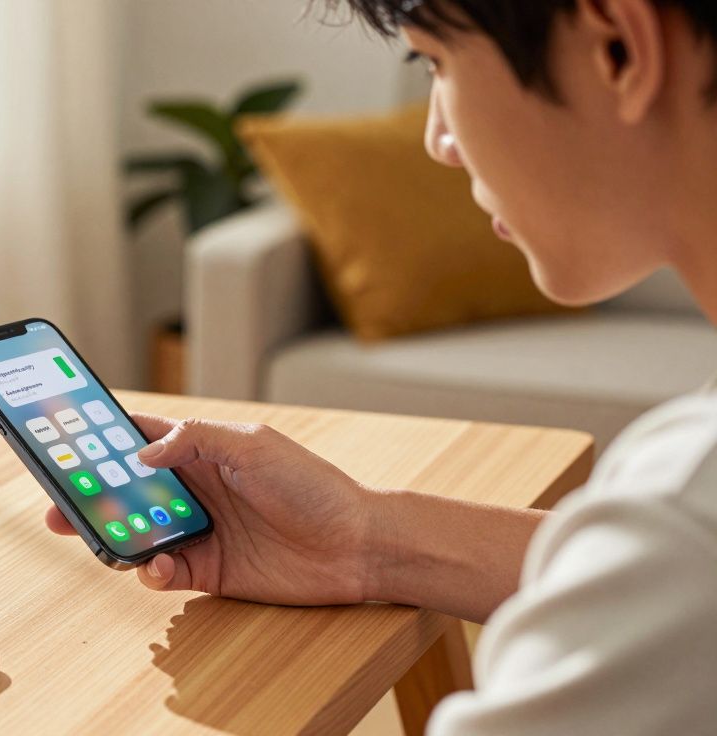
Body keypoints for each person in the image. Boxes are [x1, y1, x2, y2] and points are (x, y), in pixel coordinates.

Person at [45, 0, 717, 732]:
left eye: (435, 60)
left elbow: (676, 564)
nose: (438, 140)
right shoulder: (680, 543)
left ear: (618, 47)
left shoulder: (686, 507)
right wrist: (367, 540)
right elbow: (657, 587)